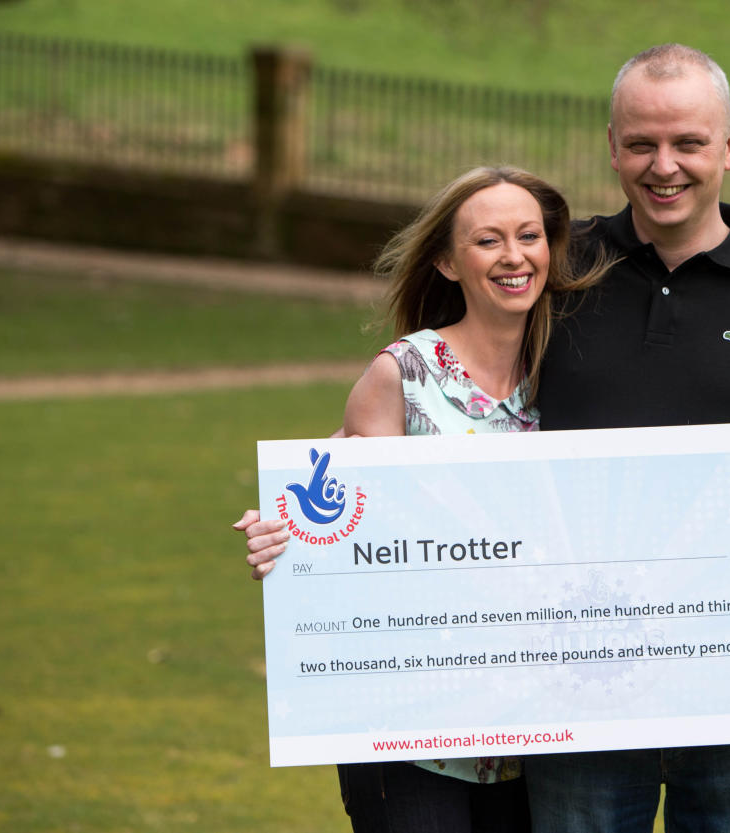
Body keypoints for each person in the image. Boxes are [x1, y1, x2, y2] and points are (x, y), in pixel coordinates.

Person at [239, 43, 730, 833]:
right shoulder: (559, 274)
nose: (664, 165)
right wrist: (293, 518)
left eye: (688, 143)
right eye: (641, 143)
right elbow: (431, 397)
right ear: (612, 147)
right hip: (577, 695)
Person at [242, 164, 610, 833]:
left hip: (535, 732)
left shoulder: (576, 375)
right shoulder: (402, 376)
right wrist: (281, 528)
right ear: (446, 260)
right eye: (488, 240)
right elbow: (336, 506)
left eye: (529, 236)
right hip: (407, 729)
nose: (514, 256)